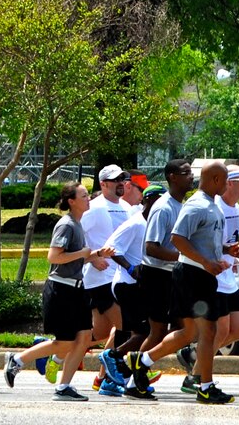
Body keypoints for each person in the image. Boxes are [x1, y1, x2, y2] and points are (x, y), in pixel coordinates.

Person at [127, 161, 233, 404]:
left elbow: (200, 239)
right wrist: (206, 262)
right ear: (216, 180)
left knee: (189, 332)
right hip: (192, 275)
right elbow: (177, 237)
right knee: (208, 331)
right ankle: (205, 387)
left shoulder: (209, 205)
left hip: (198, 274)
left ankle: (142, 361)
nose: (227, 185)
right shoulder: (196, 205)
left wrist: (226, 250)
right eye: (225, 180)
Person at [4, 181, 113, 401]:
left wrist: (96, 254)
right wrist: (84, 253)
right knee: (65, 342)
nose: (88, 199)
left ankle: (64, 387)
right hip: (61, 290)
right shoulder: (67, 225)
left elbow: (76, 256)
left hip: (77, 289)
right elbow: (54, 257)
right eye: (83, 196)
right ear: (71, 201)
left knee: (83, 339)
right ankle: (18, 360)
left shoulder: (78, 223)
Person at [176, 165, 239, 393]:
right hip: (210, 274)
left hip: (226, 274)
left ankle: (195, 358)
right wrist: (210, 261)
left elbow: (220, 242)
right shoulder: (208, 205)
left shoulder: (234, 209)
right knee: (214, 331)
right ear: (228, 182)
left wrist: (232, 251)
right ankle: (200, 378)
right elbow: (179, 238)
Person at [98, 184, 166, 396]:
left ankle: (127, 376)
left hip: (143, 286)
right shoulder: (136, 223)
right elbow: (110, 248)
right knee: (144, 332)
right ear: (148, 201)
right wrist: (129, 267)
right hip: (126, 285)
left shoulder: (156, 224)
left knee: (150, 330)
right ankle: (115, 357)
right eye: (158, 200)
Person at [80, 165, 132, 387]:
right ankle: (116, 373)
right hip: (99, 279)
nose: (120, 182)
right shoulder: (94, 208)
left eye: (122, 178)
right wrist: (93, 257)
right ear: (103, 184)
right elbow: (76, 236)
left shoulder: (128, 208)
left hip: (118, 277)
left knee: (100, 332)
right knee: (126, 325)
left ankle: (56, 351)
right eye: (114, 179)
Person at [136, 159, 193, 359]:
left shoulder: (182, 205)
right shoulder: (163, 208)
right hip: (156, 276)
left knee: (186, 327)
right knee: (158, 331)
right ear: (172, 177)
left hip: (174, 274)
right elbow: (151, 247)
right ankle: (135, 372)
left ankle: (190, 369)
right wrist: (185, 256)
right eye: (186, 173)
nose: (191, 176)